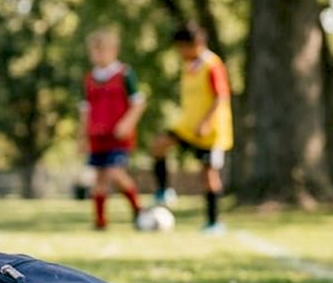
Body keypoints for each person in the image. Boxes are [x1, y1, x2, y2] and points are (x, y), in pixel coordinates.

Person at [150, 24, 232, 234]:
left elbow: (221, 96)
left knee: (208, 175)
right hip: (188, 126)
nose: (179, 53)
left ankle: (214, 222)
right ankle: (164, 190)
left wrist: (205, 122)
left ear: (196, 45)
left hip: (210, 131)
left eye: (182, 48)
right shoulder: (188, 66)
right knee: (159, 145)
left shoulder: (212, 65)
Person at [79, 29, 145, 230]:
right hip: (97, 137)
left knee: (115, 173)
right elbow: (85, 110)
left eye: (102, 51)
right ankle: (100, 221)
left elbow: (139, 103)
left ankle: (138, 210)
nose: (98, 55)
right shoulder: (90, 78)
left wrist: (127, 123)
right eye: (95, 51)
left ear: (114, 51)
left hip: (118, 137)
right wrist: (82, 137)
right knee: (99, 178)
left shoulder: (124, 74)